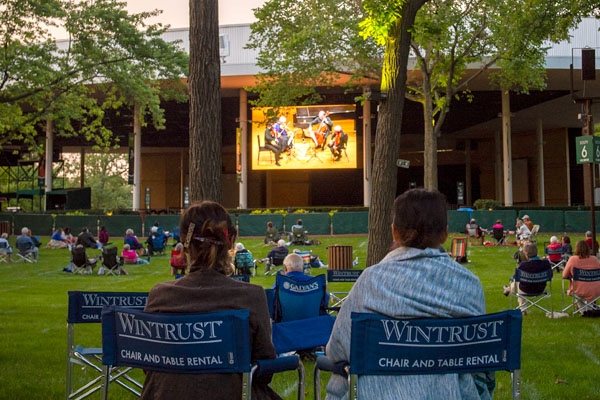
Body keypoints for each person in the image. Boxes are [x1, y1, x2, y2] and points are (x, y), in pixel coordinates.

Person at [325, 189, 490, 400]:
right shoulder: (469, 285)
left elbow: (338, 350)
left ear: (394, 232)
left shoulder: (370, 282)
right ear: (445, 233)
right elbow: (482, 361)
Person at [140, 201, 281, 399]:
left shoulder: (159, 296)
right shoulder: (251, 296)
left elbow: (150, 365)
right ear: (231, 241)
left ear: (184, 242)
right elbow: (265, 370)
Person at [503, 242, 552, 315]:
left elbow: (515, 278)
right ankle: (508, 289)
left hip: (525, 290)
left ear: (526, 254)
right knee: (520, 282)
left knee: (517, 281)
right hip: (541, 288)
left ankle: (521, 308)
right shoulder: (545, 263)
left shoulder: (523, 265)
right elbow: (550, 276)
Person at [563, 241, 600, 311]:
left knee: (579, 288)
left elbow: (564, 275)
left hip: (579, 289)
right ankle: (589, 309)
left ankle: (584, 310)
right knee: (585, 287)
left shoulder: (573, 259)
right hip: (596, 289)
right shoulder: (594, 259)